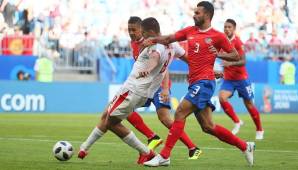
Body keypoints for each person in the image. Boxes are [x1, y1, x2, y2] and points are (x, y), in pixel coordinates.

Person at [143, 1, 255, 167]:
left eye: (197, 13)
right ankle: (245, 146)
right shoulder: (189, 31)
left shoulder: (218, 36)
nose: (194, 15)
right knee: (208, 127)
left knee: (180, 112)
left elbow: (236, 56)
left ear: (207, 15)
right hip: (195, 82)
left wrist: (218, 54)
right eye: (194, 13)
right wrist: (152, 40)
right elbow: (168, 38)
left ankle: (164, 155)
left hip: (205, 82)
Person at [78, 17, 190, 164]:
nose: (141, 35)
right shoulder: (171, 44)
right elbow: (186, 57)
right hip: (137, 90)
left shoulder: (156, 47)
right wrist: (209, 69)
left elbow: (154, 58)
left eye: (143, 32)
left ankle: (147, 152)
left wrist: (148, 70)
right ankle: (85, 147)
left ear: (150, 31)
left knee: (110, 122)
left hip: (133, 89)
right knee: (107, 113)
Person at [127, 16, 202, 159]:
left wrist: (166, 88)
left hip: (159, 86)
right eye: (129, 29)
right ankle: (152, 137)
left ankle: (192, 147)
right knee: (125, 110)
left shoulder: (157, 44)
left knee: (165, 119)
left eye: (134, 30)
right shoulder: (134, 43)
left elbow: (164, 67)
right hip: (146, 87)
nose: (131, 32)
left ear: (143, 30)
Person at [218, 19, 264, 139]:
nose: (227, 29)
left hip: (241, 78)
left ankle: (259, 129)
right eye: (225, 27)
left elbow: (243, 61)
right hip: (228, 79)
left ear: (234, 29)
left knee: (248, 105)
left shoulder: (238, 42)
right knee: (222, 98)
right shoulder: (221, 41)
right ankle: (237, 121)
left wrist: (229, 64)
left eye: (229, 27)